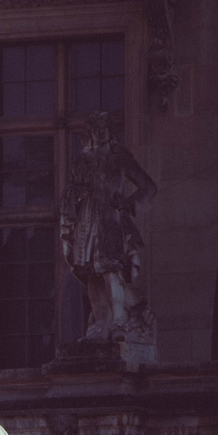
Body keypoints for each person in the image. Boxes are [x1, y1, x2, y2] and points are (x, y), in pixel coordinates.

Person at [60, 110, 156, 342]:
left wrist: (129, 203)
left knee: (110, 269)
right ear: (90, 132)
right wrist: (74, 197)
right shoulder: (83, 160)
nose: (100, 132)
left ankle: (119, 319)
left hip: (110, 221)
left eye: (104, 127)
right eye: (96, 128)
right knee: (90, 273)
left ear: (109, 131)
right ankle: (101, 321)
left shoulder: (119, 156)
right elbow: (72, 192)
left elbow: (148, 186)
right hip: (86, 222)